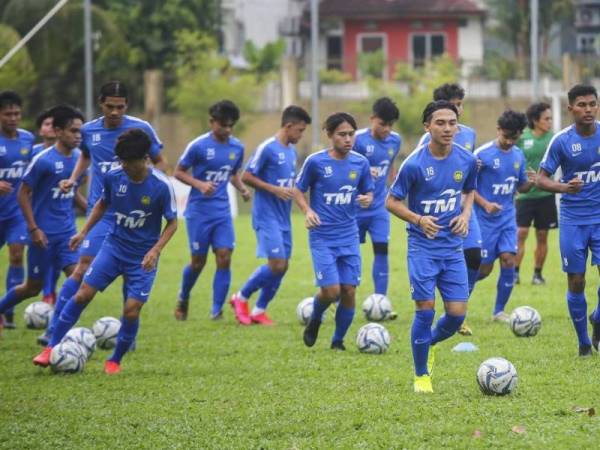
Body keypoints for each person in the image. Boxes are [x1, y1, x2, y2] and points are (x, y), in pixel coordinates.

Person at [33, 128, 178, 373]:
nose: (126, 168)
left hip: (142, 258)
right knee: (82, 294)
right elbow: (102, 204)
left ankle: (115, 359)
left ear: (145, 159)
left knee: (131, 310)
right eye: (122, 162)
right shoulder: (114, 176)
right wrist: (83, 232)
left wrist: (155, 251)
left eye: (130, 163)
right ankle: (51, 347)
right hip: (114, 247)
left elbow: (173, 223)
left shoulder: (161, 186)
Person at [37, 81, 165, 346]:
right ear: (100, 103)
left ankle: (127, 337)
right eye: (110, 106)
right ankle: (53, 330)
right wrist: (74, 179)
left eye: (120, 107)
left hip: (134, 214)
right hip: (103, 211)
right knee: (82, 267)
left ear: (127, 105)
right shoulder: (89, 130)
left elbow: (160, 163)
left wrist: (159, 189)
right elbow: (85, 156)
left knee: (132, 273)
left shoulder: (142, 129)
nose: (115, 112)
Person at [386, 100, 477, 393]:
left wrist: (464, 215)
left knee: (457, 315)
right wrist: (417, 218)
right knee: (425, 311)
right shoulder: (414, 163)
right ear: (427, 127)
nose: (448, 128)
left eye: (452, 123)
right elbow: (391, 201)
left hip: (452, 248)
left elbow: (470, 190)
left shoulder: (466, 160)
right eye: (440, 123)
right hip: (422, 247)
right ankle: (421, 374)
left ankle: (431, 342)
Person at [0, 105, 83, 335]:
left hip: (67, 233)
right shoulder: (43, 160)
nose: (77, 136)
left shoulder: (79, 159)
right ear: (57, 131)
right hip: (43, 235)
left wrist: (92, 208)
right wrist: (33, 228)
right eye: (72, 131)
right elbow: (22, 193)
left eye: (80, 131)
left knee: (77, 279)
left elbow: (73, 191)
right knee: (31, 288)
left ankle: (54, 332)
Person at [294, 112, 374, 351]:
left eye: (351, 134)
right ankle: (316, 318)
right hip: (322, 236)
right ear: (329, 135)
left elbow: (368, 191)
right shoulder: (316, 162)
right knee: (331, 291)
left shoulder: (361, 163)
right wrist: (307, 211)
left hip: (349, 234)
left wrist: (367, 199)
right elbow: (298, 190)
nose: (348, 139)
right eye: (342, 134)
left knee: (349, 290)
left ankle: (338, 341)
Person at [229, 106, 311, 325]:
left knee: (283, 266)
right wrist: (274, 189)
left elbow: (290, 185)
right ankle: (241, 297)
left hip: (283, 217)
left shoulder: (291, 152)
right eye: (300, 130)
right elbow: (246, 175)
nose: (301, 135)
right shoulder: (267, 148)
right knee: (276, 264)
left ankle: (259, 310)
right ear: (289, 126)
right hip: (266, 216)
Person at [537, 84, 600, 357]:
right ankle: (584, 343)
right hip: (573, 220)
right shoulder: (561, 141)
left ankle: (597, 317)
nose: (588, 109)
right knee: (577, 281)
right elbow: (540, 178)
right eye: (582, 105)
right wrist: (564, 188)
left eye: (592, 104)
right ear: (571, 108)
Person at [174, 100, 250, 321]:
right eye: (223, 125)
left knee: (224, 257)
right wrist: (199, 184)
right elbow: (179, 172)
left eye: (230, 126)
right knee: (198, 262)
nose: (227, 130)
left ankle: (216, 310)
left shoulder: (237, 147)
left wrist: (243, 189)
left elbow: (233, 174)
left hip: (222, 212)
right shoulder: (198, 146)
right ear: (212, 122)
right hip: (199, 212)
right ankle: (183, 296)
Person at [418, 83, 479, 336]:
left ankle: (457, 308)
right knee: (440, 265)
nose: (459, 109)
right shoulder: (426, 140)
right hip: (437, 210)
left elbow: (468, 175)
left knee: (475, 258)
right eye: (454, 104)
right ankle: (449, 311)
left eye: (460, 104)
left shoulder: (470, 133)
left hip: (464, 206)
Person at [475, 110, 535, 322]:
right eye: (506, 136)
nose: (509, 141)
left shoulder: (518, 155)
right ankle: (456, 300)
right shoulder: (482, 155)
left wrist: (531, 182)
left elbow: (521, 186)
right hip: (483, 221)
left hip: (508, 218)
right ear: (498, 130)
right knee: (483, 269)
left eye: (514, 137)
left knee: (509, 260)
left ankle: (499, 311)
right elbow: (466, 188)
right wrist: (485, 204)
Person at [353, 97, 401, 302]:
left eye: (390, 125)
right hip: (354, 208)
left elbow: (389, 165)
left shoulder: (395, 140)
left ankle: (380, 300)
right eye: (382, 124)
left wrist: (393, 179)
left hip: (379, 207)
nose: (386, 129)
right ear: (372, 119)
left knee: (382, 249)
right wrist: (362, 171)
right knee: (349, 254)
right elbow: (342, 167)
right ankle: (339, 298)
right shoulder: (355, 139)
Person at [0, 90, 34, 331]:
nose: (13, 118)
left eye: (16, 113)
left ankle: (8, 313)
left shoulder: (27, 139)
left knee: (16, 255)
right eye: (7, 114)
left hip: (16, 213)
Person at [515, 102, 556, 285]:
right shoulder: (522, 138)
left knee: (542, 236)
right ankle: (514, 273)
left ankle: (537, 275)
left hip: (546, 196)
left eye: (550, 118)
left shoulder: (554, 139)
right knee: (521, 233)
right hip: (524, 196)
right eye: (546, 118)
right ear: (535, 120)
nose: (550, 121)